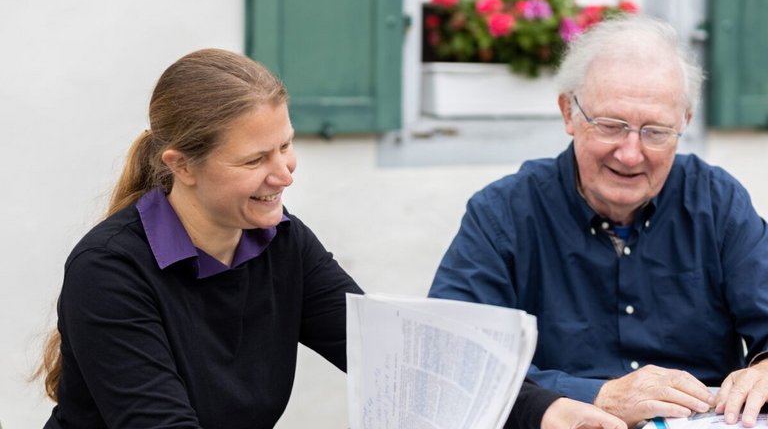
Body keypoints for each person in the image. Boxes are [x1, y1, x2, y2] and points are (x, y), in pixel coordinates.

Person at [36, 48, 624, 429]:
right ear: (181, 165)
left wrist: (547, 411)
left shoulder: (280, 243)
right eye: (256, 159)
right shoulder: (109, 271)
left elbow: (397, 357)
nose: (285, 172)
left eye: (287, 145)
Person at [429, 14, 768, 428]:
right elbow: (451, 360)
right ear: (568, 113)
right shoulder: (503, 214)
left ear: (685, 124)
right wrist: (598, 395)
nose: (630, 153)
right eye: (611, 125)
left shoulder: (717, 202)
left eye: (656, 131)